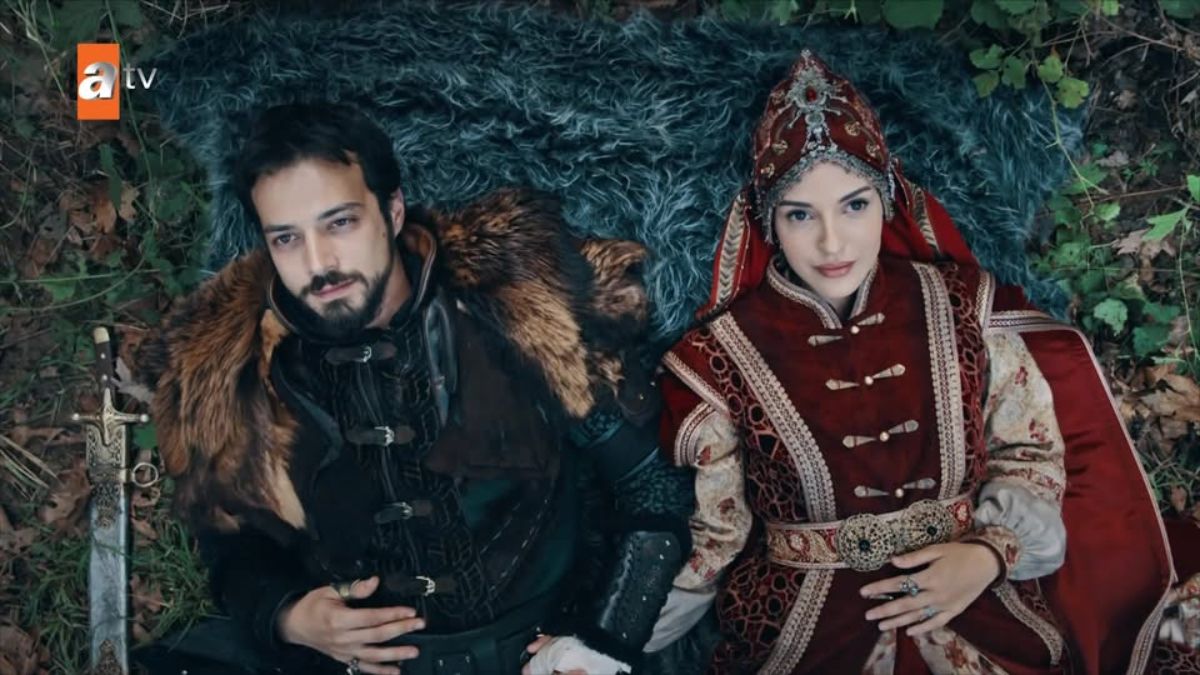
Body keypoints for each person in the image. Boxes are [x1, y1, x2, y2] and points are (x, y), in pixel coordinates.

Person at [652, 51, 1174, 674]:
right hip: (807, 631)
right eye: (800, 214)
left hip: (978, 605)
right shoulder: (719, 355)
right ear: (768, 221)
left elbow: (1028, 453)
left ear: (887, 199)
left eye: (854, 205)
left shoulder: (962, 304)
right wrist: (611, 641)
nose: (831, 242)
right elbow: (717, 537)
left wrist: (990, 555)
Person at [134, 102, 693, 675]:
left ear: (393, 211)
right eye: (286, 239)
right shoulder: (244, 377)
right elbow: (234, 547)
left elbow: (651, 485)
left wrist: (603, 643)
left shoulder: (520, 319)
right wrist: (289, 617)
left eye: (340, 223)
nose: (319, 264)